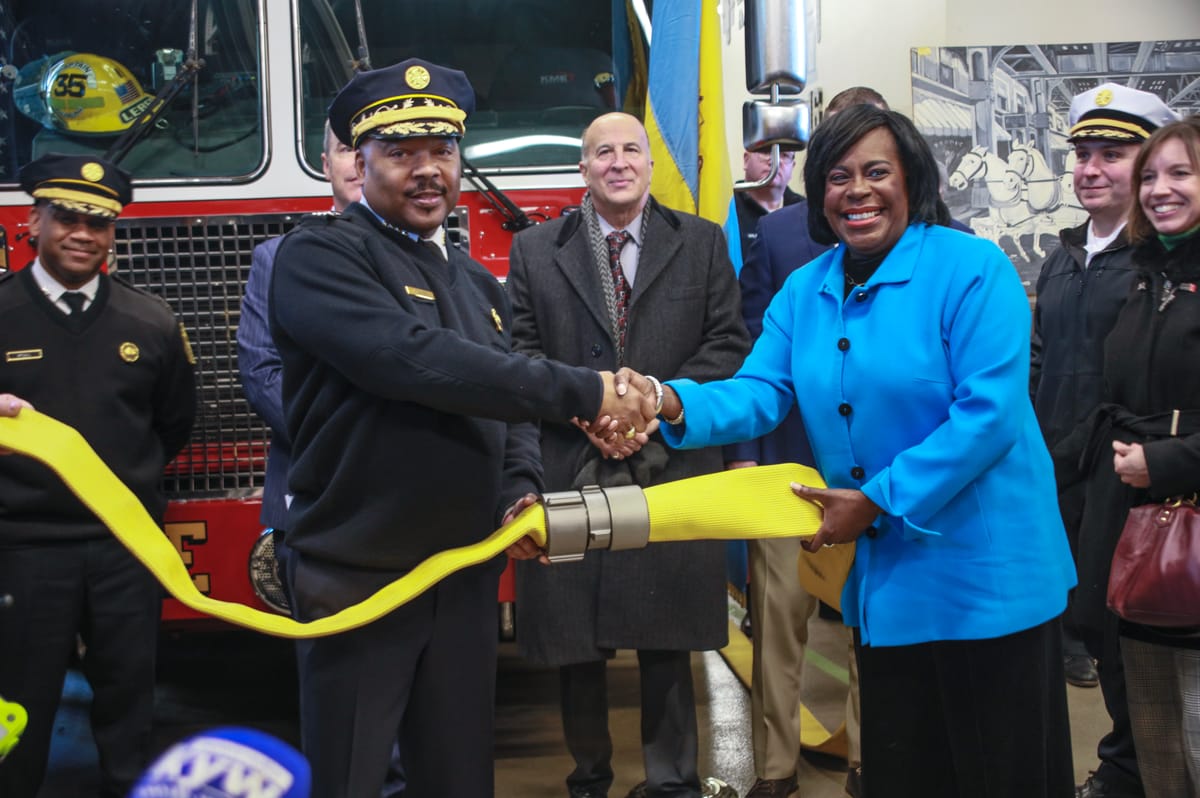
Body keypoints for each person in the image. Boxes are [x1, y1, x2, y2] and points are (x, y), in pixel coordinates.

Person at [648, 104, 1077, 798]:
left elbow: (989, 416)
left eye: (877, 172)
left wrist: (876, 499)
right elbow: (758, 391)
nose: (858, 190)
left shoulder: (973, 270)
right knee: (905, 772)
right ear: (818, 192)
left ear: (912, 180)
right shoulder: (805, 290)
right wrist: (664, 401)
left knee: (1003, 774)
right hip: (888, 590)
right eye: (838, 176)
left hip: (990, 584)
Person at [267, 59, 651, 798]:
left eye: (441, 152)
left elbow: (504, 409)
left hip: (462, 577)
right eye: (402, 152)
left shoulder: (476, 283)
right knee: (350, 777)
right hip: (358, 574)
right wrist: (589, 390)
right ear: (360, 161)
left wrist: (520, 488)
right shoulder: (320, 256)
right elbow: (416, 362)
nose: (426, 170)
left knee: (459, 778)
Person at [507, 111, 751, 798]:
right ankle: (590, 778)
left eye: (631, 150)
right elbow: (518, 354)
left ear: (648, 164)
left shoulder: (701, 244)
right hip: (569, 459)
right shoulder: (533, 250)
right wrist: (585, 406)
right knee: (575, 645)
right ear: (582, 169)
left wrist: (655, 401)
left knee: (666, 635)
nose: (618, 161)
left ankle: (671, 782)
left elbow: (728, 346)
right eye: (601, 151)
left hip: (670, 460)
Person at [0, 153, 197, 797]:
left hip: (125, 548)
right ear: (34, 221)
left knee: (129, 703)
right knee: (17, 709)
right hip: (23, 549)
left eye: (100, 222)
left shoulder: (151, 321)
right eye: (67, 218)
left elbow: (172, 425)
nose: (84, 234)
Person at [728, 86, 888, 798]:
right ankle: (774, 765)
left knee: (870, 633)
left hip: (880, 484)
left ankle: (866, 760)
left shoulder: (938, 246)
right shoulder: (784, 236)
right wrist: (739, 453)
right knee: (778, 628)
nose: (855, 186)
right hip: (788, 470)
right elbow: (755, 353)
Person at [1031, 83, 1178, 798]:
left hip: (1127, 474)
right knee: (1085, 620)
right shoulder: (1063, 257)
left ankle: (1132, 767)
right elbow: (1038, 361)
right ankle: (1129, 761)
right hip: (1057, 470)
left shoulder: (1159, 265)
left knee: (1129, 629)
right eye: (1083, 155)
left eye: (1112, 156)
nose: (1090, 169)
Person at [1059, 116, 1200, 798]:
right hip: (1127, 507)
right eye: (1152, 175)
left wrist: (1166, 461)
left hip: (1182, 505)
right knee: (1146, 701)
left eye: (1180, 173)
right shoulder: (1151, 272)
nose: (1159, 189)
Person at [238, 119, 363, 581]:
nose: (359, 163)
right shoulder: (278, 257)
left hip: (413, 497)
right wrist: (346, 446)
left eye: (373, 149)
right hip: (311, 491)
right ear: (326, 164)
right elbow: (261, 371)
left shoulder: (442, 260)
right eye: (347, 150)